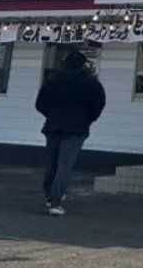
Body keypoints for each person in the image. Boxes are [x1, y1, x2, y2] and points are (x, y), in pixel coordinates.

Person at [34, 49, 106, 215]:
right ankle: (56, 201)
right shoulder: (90, 82)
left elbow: (40, 103)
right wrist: (87, 119)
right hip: (76, 128)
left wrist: (51, 114)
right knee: (64, 166)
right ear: (82, 64)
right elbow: (98, 104)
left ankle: (48, 195)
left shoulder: (52, 80)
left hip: (53, 125)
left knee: (51, 163)